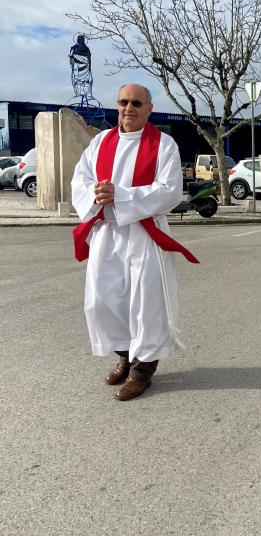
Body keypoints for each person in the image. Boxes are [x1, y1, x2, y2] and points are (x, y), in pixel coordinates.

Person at [71, 83, 198, 401]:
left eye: (136, 103)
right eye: (123, 102)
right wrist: (95, 195)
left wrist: (122, 195)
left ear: (149, 108)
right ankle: (125, 355)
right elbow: (80, 178)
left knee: (145, 302)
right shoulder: (101, 141)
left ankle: (143, 369)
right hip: (108, 231)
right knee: (102, 299)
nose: (129, 108)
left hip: (144, 232)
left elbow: (169, 189)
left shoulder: (164, 145)